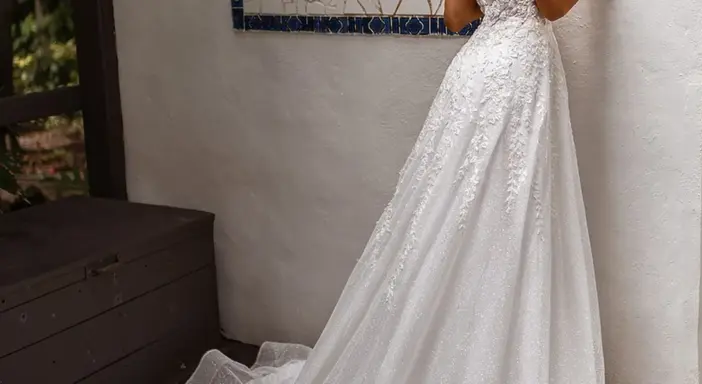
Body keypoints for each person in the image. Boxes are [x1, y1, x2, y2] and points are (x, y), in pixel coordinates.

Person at [188, 0, 604, 382]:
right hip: (516, 79)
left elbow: (455, 17)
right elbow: (553, 8)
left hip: (477, 70)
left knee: (458, 218)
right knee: (508, 221)